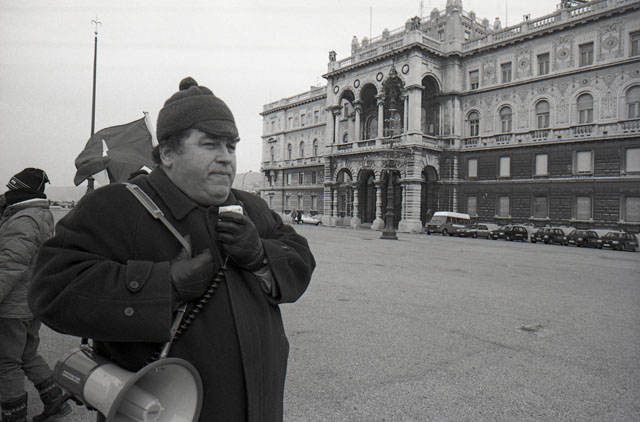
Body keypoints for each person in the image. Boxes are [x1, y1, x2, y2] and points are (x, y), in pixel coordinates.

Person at [29, 77, 315, 422]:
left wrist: (261, 256)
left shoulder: (252, 208)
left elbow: (301, 259)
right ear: (167, 153)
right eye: (210, 145)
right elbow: (51, 291)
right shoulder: (116, 206)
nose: (226, 158)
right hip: (157, 412)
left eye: (231, 146)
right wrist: (165, 285)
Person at [0, 168, 71, 422]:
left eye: (12, 189)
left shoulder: (23, 220)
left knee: (6, 362)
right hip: (31, 302)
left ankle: (14, 417)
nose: (7, 194)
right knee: (27, 355)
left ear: (22, 191)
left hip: (13, 306)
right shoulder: (39, 215)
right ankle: (56, 402)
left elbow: (10, 266)